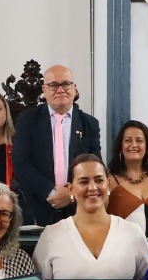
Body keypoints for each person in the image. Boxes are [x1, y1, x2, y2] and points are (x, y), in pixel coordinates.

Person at [12, 64, 101, 226]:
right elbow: (21, 163)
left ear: (75, 89)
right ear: (44, 91)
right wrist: (52, 191)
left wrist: (71, 194)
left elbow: (95, 166)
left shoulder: (89, 124)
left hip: (78, 209)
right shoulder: (27, 120)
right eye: (53, 85)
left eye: (66, 84)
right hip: (37, 208)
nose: (60, 90)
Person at [106, 120, 148, 240]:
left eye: (139, 141)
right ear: (121, 146)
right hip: (123, 252)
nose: (133, 145)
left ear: (147, 146)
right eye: (128, 140)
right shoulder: (110, 180)